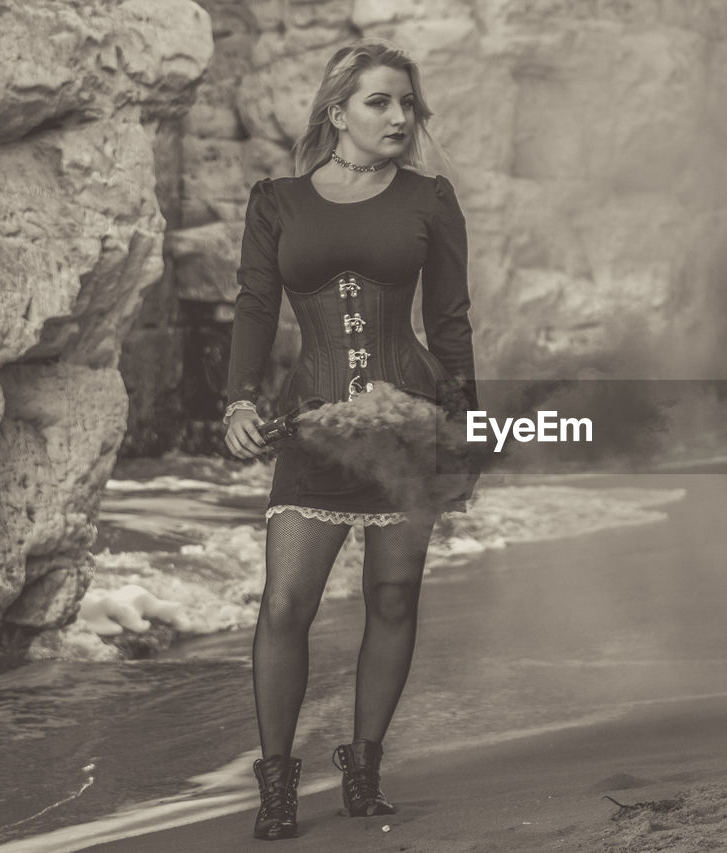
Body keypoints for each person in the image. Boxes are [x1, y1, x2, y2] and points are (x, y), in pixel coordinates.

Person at [221, 39, 478, 841]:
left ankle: (364, 768)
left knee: (393, 596)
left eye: (408, 104)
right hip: (313, 424)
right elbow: (256, 307)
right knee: (285, 602)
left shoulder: (430, 200)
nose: (401, 116)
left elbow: (449, 321)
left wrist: (466, 427)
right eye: (381, 102)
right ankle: (277, 785)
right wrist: (236, 399)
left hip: (408, 422)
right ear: (338, 112)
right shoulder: (277, 202)